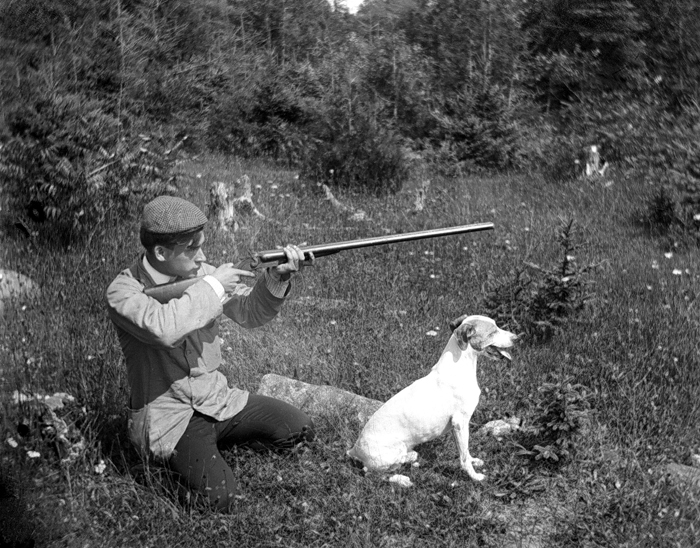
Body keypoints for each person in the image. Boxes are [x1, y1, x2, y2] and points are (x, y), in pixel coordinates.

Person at [105, 195, 315, 512]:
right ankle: (160, 474)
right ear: (160, 252)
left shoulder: (204, 273)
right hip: (170, 418)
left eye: (201, 244)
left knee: (298, 428)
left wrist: (277, 276)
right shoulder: (124, 291)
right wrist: (214, 287)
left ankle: (210, 453)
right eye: (192, 248)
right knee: (221, 500)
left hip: (217, 400)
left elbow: (251, 313)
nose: (201, 255)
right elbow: (163, 328)